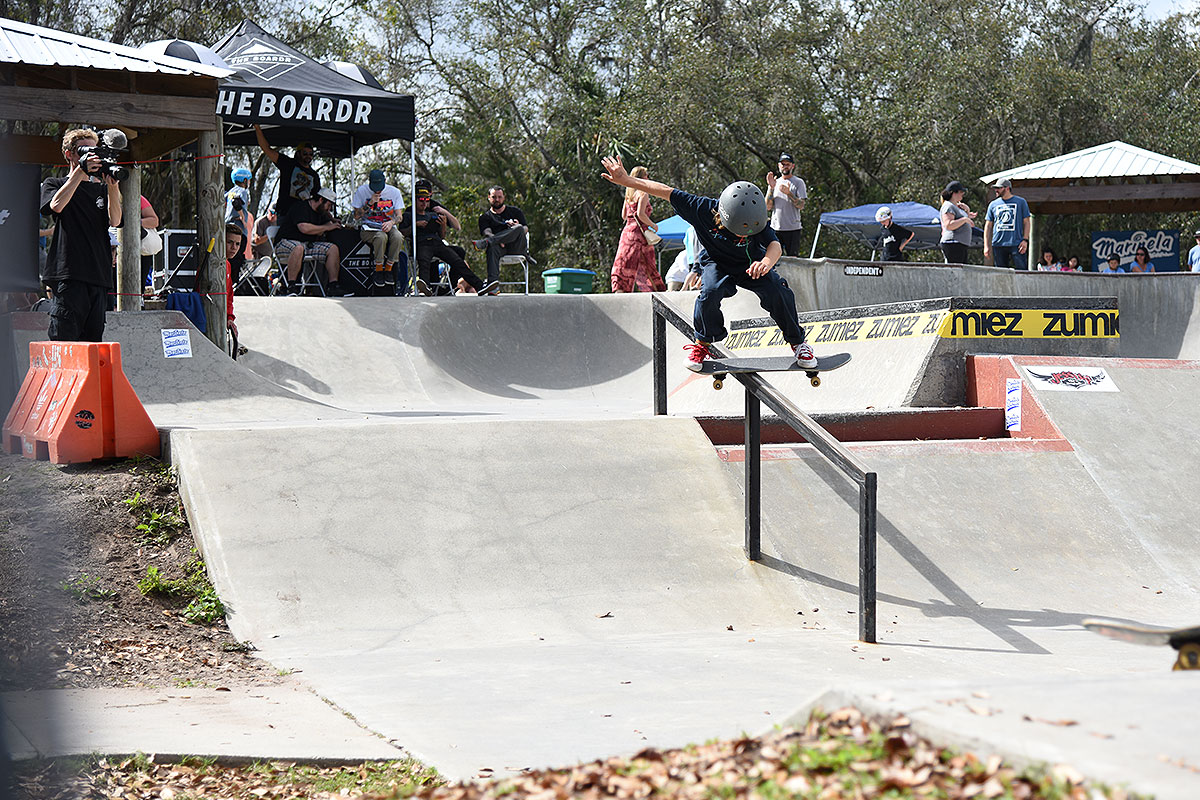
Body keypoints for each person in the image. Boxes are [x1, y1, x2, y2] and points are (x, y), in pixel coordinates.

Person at [600, 155, 817, 369]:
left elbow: (774, 245)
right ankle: (702, 343)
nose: (743, 236)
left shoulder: (756, 218)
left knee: (778, 291)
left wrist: (767, 263)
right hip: (717, 263)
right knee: (710, 293)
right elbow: (665, 191)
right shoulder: (701, 208)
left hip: (751, 265)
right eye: (739, 232)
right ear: (724, 217)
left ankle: (798, 343)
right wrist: (627, 181)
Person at [39, 128, 122, 341]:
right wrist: (79, 172)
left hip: (98, 275)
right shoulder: (54, 184)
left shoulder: (100, 190)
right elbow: (55, 206)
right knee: (65, 340)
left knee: (93, 343)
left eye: (94, 151)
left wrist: (112, 187)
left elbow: (116, 220)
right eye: (84, 151)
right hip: (69, 274)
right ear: (69, 154)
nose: (91, 156)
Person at [403, 187, 487, 296]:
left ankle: (479, 285)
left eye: (427, 200)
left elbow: (442, 236)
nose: (424, 203)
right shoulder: (409, 215)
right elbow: (402, 233)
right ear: (415, 200)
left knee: (457, 260)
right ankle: (425, 287)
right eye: (421, 200)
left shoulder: (433, 214)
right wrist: (415, 225)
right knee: (424, 260)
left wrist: (443, 225)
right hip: (421, 243)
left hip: (437, 243)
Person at [274, 187, 349, 296]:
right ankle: (291, 286)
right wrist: (326, 227)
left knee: (332, 249)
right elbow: (304, 228)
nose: (329, 209)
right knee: (298, 247)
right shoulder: (301, 207)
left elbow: (326, 225)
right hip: (285, 243)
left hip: (307, 246)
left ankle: (333, 286)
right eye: (329, 205)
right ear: (321, 200)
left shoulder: (321, 212)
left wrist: (332, 222)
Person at [610, 165, 666, 293]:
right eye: (646, 176)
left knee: (625, 261)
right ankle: (656, 291)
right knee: (648, 264)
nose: (648, 178)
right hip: (639, 233)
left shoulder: (629, 195)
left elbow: (624, 215)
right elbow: (641, 215)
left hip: (627, 231)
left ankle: (619, 287)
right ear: (641, 178)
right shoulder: (643, 193)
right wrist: (653, 225)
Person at [352, 169, 405, 291]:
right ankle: (379, 269)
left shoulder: (394, 192)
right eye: (375, 187)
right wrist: (369, 203)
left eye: (380, 187)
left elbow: (399, 216)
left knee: (397, 237)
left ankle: (389, 269)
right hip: (369, 228)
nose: (377, 190)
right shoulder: (362, 191)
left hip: (388, 224)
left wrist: (391, 222)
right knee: (381, 237)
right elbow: (356, 216)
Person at [254, 125, 320, 216]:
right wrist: (257, 128)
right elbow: (267, 149)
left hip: (303, 216)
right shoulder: (288, 164)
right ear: (298, 154)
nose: (308, 156)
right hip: (285, 213)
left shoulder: (314, 176)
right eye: (305, 153)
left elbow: (318, 199)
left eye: (311, 154)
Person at [473, 186, 530, 286]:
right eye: (494, 197)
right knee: (492, 247)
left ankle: (487, 242)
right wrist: (499, 241)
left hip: (516, 247)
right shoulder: (485, 217)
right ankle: (492, 284)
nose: (497, 200)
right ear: (489, 197)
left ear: (504, 197)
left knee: (519, 228)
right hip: (500, 248)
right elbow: (487, 232)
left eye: (499, 197)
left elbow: (525, 229)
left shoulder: (515, 212)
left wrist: (516, 226)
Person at [765, 153, 807, 257]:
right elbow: (768, 206)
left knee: (793, 259)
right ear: (779, 165)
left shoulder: (798, 182)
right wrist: (771, 188)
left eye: (787, 164)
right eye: (783, 164)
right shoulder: (775, 182)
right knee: (774, 258)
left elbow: (801, 205)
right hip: (776, 228)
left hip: (792, 228)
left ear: (792, 166)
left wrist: (789, 193)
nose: (785, 166)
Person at [983, 178, 1031, 270]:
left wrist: (1025, 240)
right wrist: (986, 246)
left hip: (1017, 243)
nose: (996, 190)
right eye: (995, 188)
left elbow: (1027, 222)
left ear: (1007, 188)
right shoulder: (993, 204)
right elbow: (988, 226)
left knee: (1022, 271)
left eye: (999, 188)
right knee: (1001, 274)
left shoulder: (1021, 202)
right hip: (998, 244)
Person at [938, 181, 976, 264]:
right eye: (961, 192)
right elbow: (949, 225)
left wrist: (967, 211)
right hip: (953, 243)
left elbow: (961, 222)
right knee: (955, 271)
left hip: (960, 244)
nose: (963, 194)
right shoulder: (948, 206)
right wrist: (965, 219)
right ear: (954, 193)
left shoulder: (956, 207)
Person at [665, 225, 701, 290]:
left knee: (694, 272)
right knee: (694, 271)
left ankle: (691, 288)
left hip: (686, 271)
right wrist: (696, 277)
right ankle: (688, 287)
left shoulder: (689, 230)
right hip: (674, 278)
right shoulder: (683, 254)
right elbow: (683, 268)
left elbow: (685, 241)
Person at [223, 224, 242, 340]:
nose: (234, 247)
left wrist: (229, 317)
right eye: (229, 242)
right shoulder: (214, 264)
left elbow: (229, 296)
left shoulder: (228, 265)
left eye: (237, 244)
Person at [225, 167, 253, 241]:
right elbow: (236, 202)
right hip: (238, 227)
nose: (249, 182)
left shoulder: (231, 191)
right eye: (249, 180)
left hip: (228, 225)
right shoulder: (242, 191)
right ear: (244, 180)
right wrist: (243, 218)